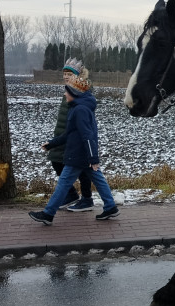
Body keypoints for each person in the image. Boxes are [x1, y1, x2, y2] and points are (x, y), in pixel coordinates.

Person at [29, 72, 119, 225]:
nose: (65, 94)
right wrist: (51, 144)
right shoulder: (78, 108)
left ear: (74, 93)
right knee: (99, 179)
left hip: (78, 156)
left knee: (63, 183)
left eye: (67, 91)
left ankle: (48, 214)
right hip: (83, 155)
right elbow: (69, 134)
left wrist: (93, 158)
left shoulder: (80, 110)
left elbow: (88, 136)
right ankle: (110, 207)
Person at [48, 59, 94, 211]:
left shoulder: (80, 89)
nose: (66, 77)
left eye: (69, 74)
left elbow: (82, 112)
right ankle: (72, 194)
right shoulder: (68, 88)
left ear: (77, 75)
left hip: (72, 133)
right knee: (56, 160)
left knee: (82, 167)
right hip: (63, 132)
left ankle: (86, 199)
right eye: (64, 74)